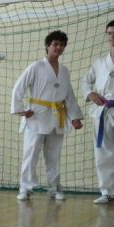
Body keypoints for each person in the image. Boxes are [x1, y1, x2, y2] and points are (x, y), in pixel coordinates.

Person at [11, 30, 84, 201]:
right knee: (31, 154)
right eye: (55, 44)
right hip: (36, 116)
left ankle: (54, 187)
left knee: (54, 156)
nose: (58, 48)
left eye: (62, 45)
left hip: (57, 117)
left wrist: (74, 117)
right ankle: (25, 188)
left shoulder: (64, 71)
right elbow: (18, 88)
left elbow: (69, 95)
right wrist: (20, 109)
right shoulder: (35, 67)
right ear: (47, 46)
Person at [81, 20, 114, 205]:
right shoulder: (100, 62)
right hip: (104, 111)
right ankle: (106, 191)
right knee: (103, 151)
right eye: (109, 33)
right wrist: (90, 93)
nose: (112, 36)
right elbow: (86, 81)